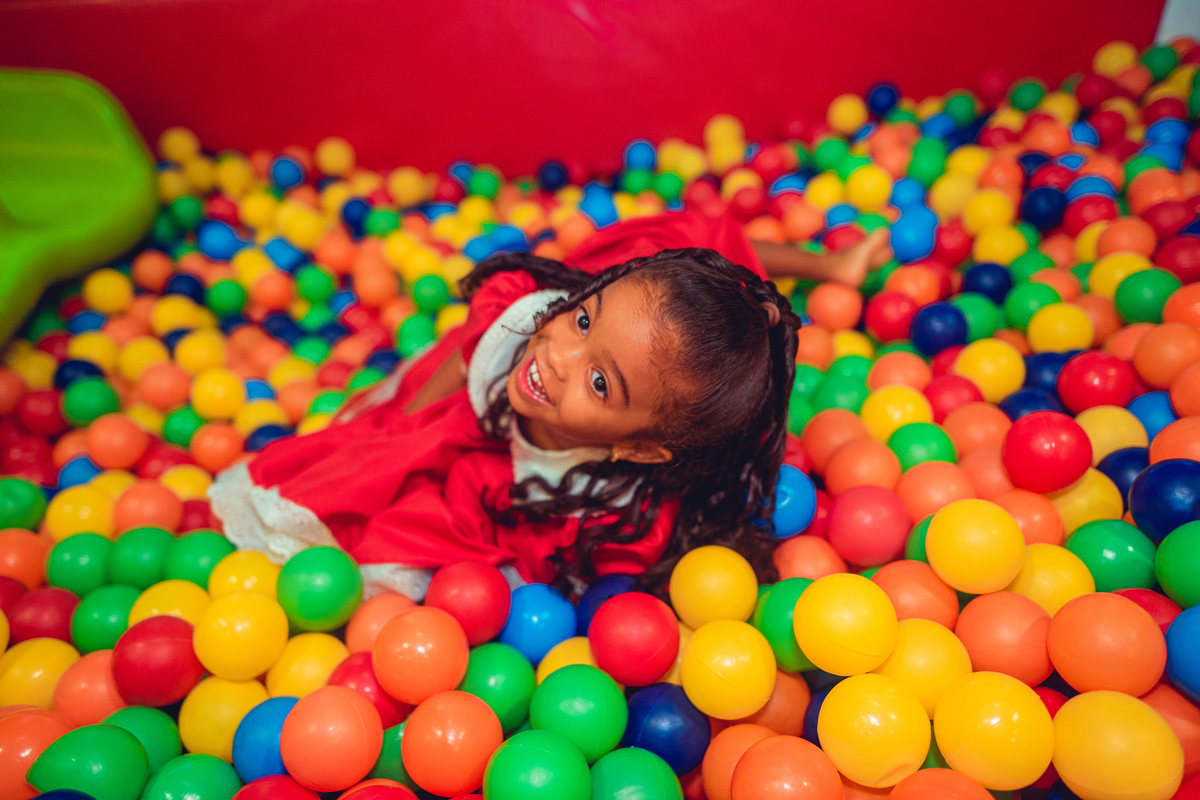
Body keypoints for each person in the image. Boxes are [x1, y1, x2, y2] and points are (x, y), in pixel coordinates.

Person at [210, 211, 889, 600]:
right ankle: (829, 267)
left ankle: (822, 275)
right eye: (585, 321)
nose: (559, 358)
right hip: (637, 303)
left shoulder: (624, 506)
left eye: (601, 385)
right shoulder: (523, 325)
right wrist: (388, 419)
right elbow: (440, 383)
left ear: (641, 446)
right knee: (717, 241)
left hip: (634, 388)